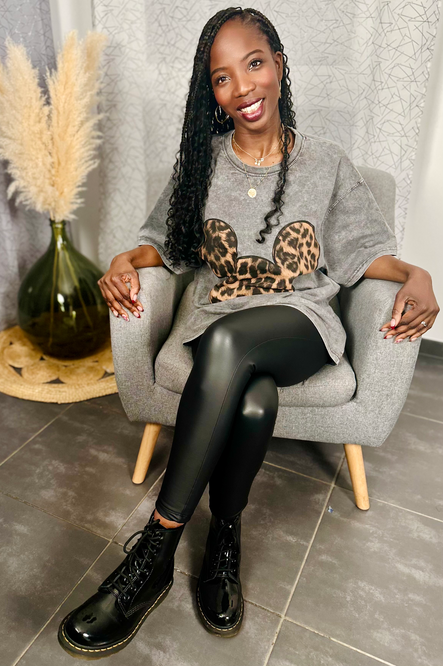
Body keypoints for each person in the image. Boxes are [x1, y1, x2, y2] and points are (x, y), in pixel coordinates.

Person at [57, 6, 440, 660]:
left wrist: (417, 273)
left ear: (279, 65)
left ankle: (154, 552)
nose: (242, 87)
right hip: (217, 319)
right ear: (211, 92)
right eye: (222, 77)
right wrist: (122, 259)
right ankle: (223, 540)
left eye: (254, 64)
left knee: (234, 346)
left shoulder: (326, 163)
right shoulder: (201, 164)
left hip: (300, 322)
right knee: (254, 401)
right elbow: (165, 246)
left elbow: (361, 255)